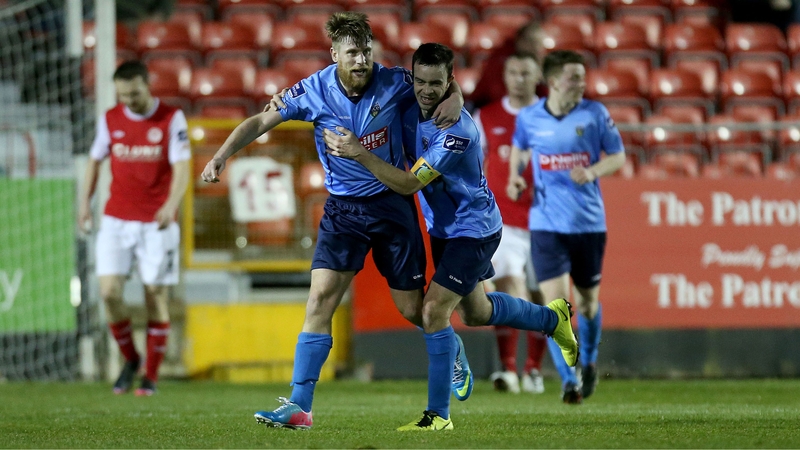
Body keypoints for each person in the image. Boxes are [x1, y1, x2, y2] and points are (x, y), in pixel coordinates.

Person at [201, 12, 467, 430]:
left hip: (391, 206)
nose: (361, 60)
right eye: (352, 53)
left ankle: (451, 349)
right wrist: (221, 155)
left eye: (366, 51)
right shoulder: (312, 91)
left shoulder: (395, 81)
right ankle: (300, 406)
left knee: (413, 310)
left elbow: (438, 87)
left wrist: (457, 97)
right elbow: (260, 121)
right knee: (320, 298)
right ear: (334, 54)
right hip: (343, 211)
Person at [324, 43, 578, 431]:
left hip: (473, 228)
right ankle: (551, 317)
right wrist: (455, 95)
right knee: (475, 312)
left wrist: (359, 153)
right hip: (443, 228)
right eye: (421, 81)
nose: (427, 90)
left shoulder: (455, 132)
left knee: (432, 311)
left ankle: (438, 415)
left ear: (449, 81)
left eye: (437, 83)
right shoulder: (410, 103)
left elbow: (410, 183)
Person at [507, 50, 626, 404]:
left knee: (588, 305)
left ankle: (587, 361)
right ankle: (568, 380)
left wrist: (592, 171)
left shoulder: (595, 114)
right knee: (558, 308)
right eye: (574, 77)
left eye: (583, 77)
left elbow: (618, 156)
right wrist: (515, 178)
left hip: (588, 224)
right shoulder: (529, 118)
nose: (582, 83)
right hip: (546, 225)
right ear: (555, 81)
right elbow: (520, 149)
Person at [78, 60, 191, 396]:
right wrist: (85, 203)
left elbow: (182, 167)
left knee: (155, 295)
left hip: (156, 222)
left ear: (147, 84)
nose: (128, 100)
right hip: (116, 219)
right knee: (109, 293)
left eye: (134, 93)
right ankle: (130, 359)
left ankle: (150, 377)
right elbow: (95, 161)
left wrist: (171, 205)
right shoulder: (111, 119)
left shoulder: (171, 118)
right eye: (123, 95)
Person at [474, 51, 548, 395]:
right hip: (505, 222)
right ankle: (507, 370)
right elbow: (471, 165)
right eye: (514, 72)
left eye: (526, 72)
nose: (519, 78)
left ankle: (533, 369)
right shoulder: (486, 117)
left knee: (544, 297)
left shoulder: (553, 117)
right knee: (510, 290)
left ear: (537, 77)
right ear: (505, 77)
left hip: (548, 222)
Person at [469, 20, 546, 110]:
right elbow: (496, 93)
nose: (536, 48)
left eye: (540, 43)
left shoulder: (539, 63)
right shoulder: (501, 59)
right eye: (532, 42)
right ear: (520, 41)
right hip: (483, 104)